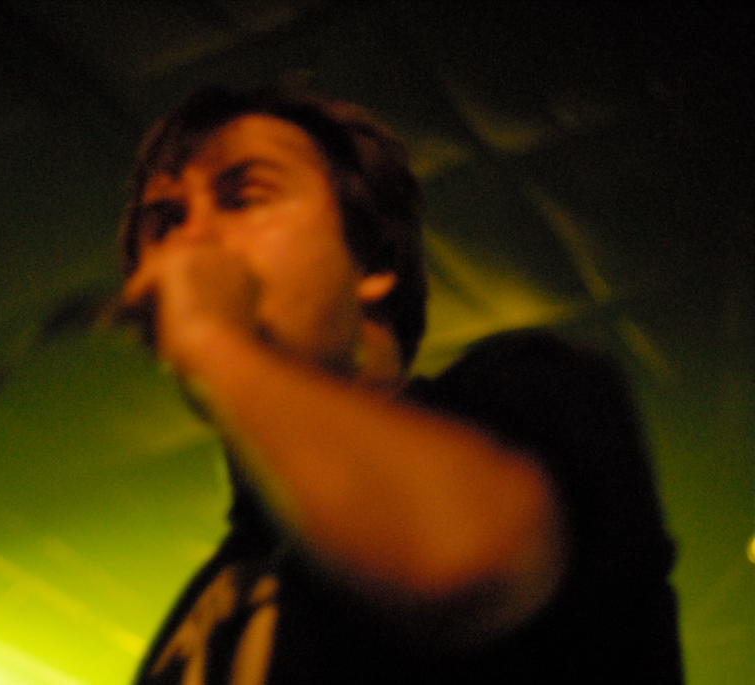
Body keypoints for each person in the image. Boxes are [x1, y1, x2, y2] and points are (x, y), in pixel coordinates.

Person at [117, 88, 682, 684]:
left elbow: (460, 558)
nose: (188, 243)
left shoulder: (534, 393)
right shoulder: (210, 598)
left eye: (244, 197)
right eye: (166, 221)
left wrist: (213, 338)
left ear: (371, 258)